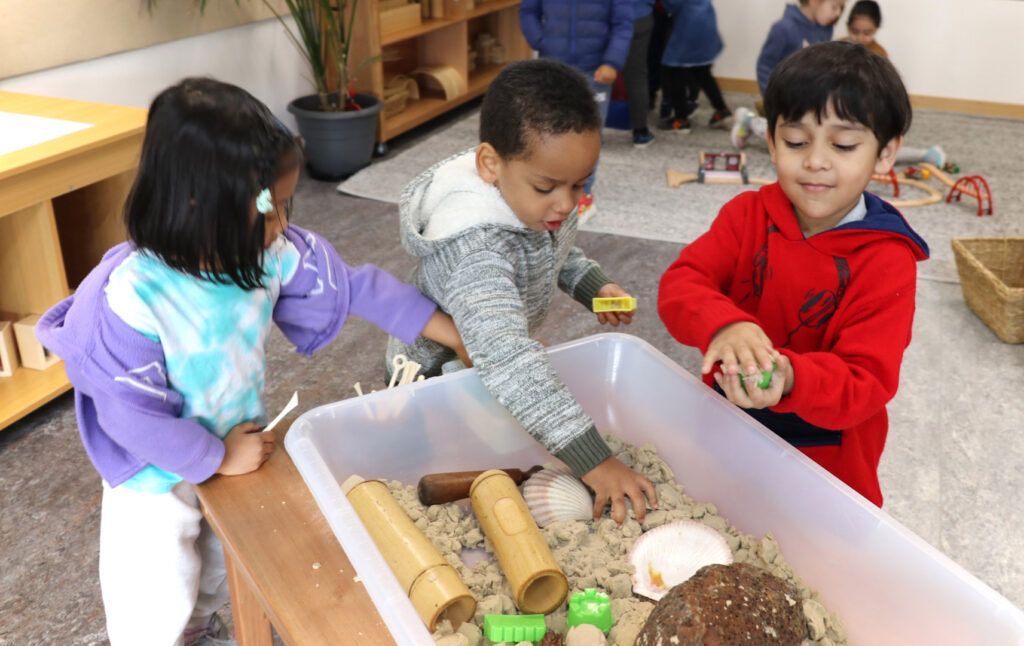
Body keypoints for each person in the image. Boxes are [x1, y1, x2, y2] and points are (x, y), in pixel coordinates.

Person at [34, 78, 467, 646]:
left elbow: (357, 288)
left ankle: (205, 626)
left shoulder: (265, 251)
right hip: (155, 473)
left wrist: (452, 334)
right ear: (197, 208)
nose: (284, 224)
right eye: (269, 209)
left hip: (231, 441)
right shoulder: (131, 297)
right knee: (157, 593)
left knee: (221, 565)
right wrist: (213, 458)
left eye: (287, 205)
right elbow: (130, 420)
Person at [386, 59, 658, 524]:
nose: (567, 203)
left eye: (580, 184)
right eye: (549, 186)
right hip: (433, 379)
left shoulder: (534, 201)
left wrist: (592, 286)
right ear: (491, 164)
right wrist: (596, 462)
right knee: (453, 470)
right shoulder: (477, 252)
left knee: (523, 412)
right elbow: (508, 360)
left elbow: (553, 248)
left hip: (490, 351)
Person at [657, 42, 929, 507]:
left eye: (843, 145)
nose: (815, 161)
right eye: (796, 141)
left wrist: (790, 376)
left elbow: (866, 381)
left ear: (885, 154)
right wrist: (725, 322)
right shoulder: (747, 216)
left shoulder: (887, 259)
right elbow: (681, 283)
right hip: (728, 430)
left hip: (824, 462)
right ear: (771, 141)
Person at [520, 0, 634, 220]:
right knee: (548, 129)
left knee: (587, 134)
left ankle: (583, 195)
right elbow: (528, 11)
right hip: (552, 66)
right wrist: (538, 40)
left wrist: (612, 62)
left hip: (595, 70)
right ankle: (549, 186)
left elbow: (623, 24)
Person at [732, 0, 845, 147]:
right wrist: (771, 95)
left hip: (809, 96)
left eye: (841, 8)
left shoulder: (825, 29)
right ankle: (751, 122)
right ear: (814, 2)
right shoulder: (783, 28)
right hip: (785, 95)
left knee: (804, 136)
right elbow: (765, 65)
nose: (838, 13)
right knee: (788, 141)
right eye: (834, 7)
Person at [657, 0, 731, 133]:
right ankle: (721, 109)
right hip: (705, 22)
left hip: (689, 27)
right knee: (702, 71)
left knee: (672, 70)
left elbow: (672, 5)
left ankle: (681, 120)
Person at [623, 0, 657, 147]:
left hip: (602, 18)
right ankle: (640, 132)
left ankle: (588, 131)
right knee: (636, 75)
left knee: (594, 72)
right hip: (638, 15)